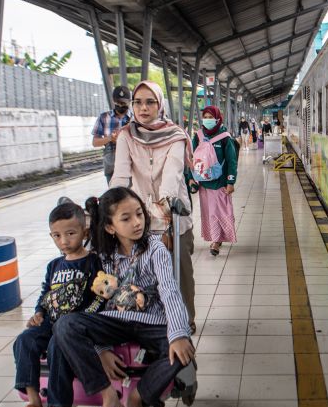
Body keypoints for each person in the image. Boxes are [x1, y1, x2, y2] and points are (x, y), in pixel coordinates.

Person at [53, 187, 195, 407]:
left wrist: (178, 334)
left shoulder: (155, 248)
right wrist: (101, 349)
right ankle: (109, 397)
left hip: (152, 320)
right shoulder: (102, 256)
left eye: (139, 214)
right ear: (110, 227)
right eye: (126, 218)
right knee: (65, 326)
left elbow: (169, 290)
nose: (137, 222)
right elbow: (93, 300)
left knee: (181, 353)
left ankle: (136, 400)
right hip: (114, 321)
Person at [110, 80, 197, 334]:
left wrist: (162, 209)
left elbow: (172, 176)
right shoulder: (126, 135)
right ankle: (153, 318)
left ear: (160, 105)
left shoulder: (176, 135)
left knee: (179, 271)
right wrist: (111, 204)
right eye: (138, 102)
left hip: (173, 216)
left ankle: (186, 317)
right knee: (143, 273)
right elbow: (121, 175)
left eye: (150, 102)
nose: (143, 108)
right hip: (139, 219)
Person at [10, 201, 101, 407]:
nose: (64, 241)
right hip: (51, 320)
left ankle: (59, 404)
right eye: (57, 235)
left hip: (75, 324)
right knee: (24, 340)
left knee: (56, 345)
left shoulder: (93, 262)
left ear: (84, 232)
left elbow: (101, 296)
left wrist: (83, 317)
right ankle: (33, 402)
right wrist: (39, 313)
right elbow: (45, 294)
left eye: (70, 234)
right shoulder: (54, 266)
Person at [186, 106, 238, 256]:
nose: (208, 120)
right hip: (204, 182)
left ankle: (216, 241)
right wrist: (192, 179)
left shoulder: (225, 137)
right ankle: (216, 238)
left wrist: (230, 181)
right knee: (209, 212)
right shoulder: (199, 135)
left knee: (218, 211)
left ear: (217, 118)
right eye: (205, 117)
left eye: (211, 117)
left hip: (220, 182)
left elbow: (231, 160)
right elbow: (193, 159)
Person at [92, 86, 132, 185]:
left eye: (123, 103)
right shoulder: (104, 117)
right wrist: (110, 138)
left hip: (131, 162)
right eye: (117, 102)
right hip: (111, 162)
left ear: (129, 102)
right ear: (113, 101)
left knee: (132, 195)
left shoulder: (135, 119)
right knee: (115, 196)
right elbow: (95, 142)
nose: (120, 105)